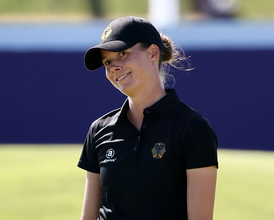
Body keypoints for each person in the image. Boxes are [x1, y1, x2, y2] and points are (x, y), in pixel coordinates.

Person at [78, 16, 218, 220]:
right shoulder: (99, 130)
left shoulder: (192, 128)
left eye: (123, 53)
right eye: (107, 62)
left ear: (153, 53)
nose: (113, 67)